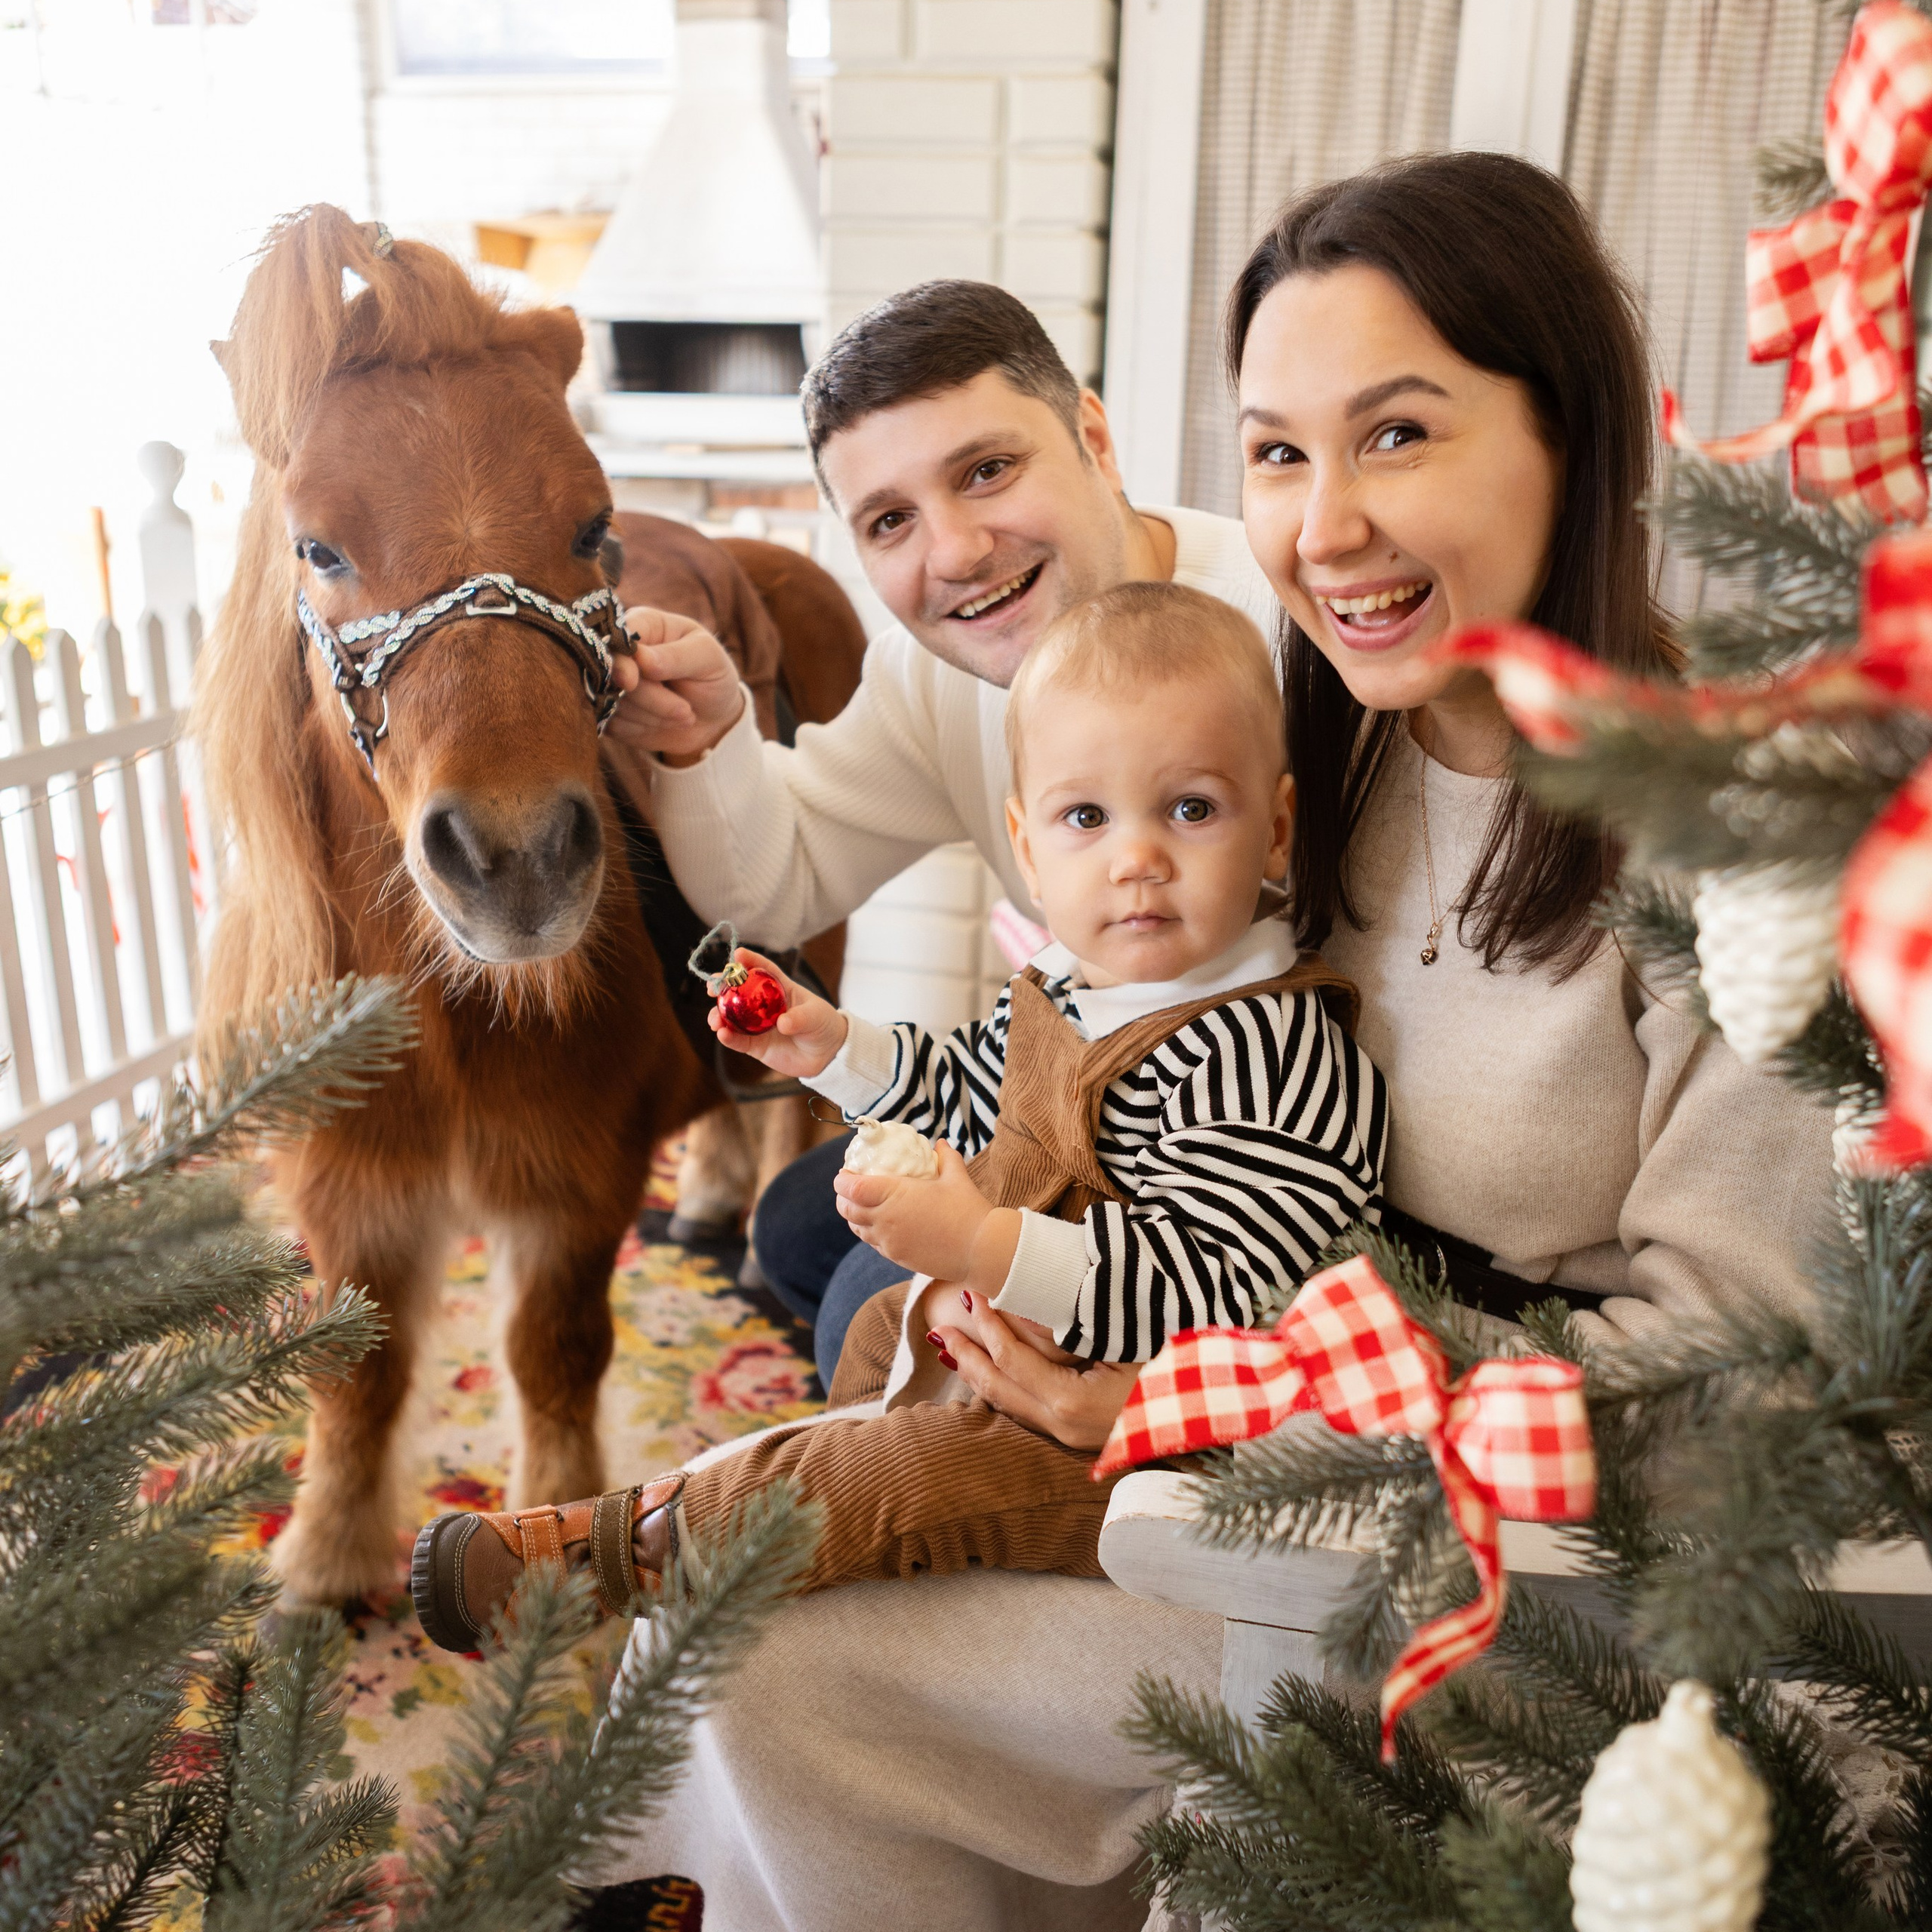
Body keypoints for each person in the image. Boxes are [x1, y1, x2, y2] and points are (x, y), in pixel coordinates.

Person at [571, 155, 1834, 1932]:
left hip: (1490, 1563)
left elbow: (1716, 1405)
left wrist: (1205, 1404)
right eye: (1274, 450)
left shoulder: (1727, 840)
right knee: (755, 1586)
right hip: (1232, 1424)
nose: (1319, 525)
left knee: (774, 1663)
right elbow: (1140, 1071)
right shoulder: (1334, 742)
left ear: (1569, 434)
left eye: (1395, 434)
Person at [410, 581, 1387, 1648]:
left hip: (1172, 1452)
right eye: (1086, 818)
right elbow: (972, 1094)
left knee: (901, 1465)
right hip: (1036, 1358)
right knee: (887, 1324)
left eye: (1191, 809)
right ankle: (843, 1524)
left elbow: (1215, 1294)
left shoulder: (1269, 1048)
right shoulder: (1082, 985)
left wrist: (983, 1244)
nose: (1136, 858)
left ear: (1279, 827)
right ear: (1027, 844)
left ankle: (631, 1551)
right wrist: (835, 1049)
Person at [599, 281, 1279, 1379]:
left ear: (1093, 440)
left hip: (1245, 1171)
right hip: (1085, 1096)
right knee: (798, 1223)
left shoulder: (1275, 626)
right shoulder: (935, 675)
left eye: (987, 470)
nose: (958, 551)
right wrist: (712, 735)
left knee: (866, 1311)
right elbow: (778, 884)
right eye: (891, 520)